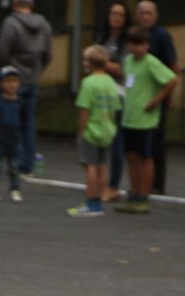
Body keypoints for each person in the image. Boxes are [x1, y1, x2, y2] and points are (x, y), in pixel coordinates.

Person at [115, 25, 178, 215]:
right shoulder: (128, 61)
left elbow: (171, 79)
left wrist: (157, 100)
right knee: (131, 156)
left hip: (146, 119)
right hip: (129, 117)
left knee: (146, 157)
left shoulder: (151, 62)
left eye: (142, 45)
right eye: (134, 45)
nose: (138, 49)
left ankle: (144, 195)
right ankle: (134, 193)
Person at [0, 0, 53, 177]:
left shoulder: (11, 24)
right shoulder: (44, 25)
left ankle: (14, 162)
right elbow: (48, 53)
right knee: (29, 123)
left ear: (14, 4)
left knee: (12, 123)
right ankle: (27, 165)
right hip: (33, 78)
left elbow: (2, 51)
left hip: (14, 79)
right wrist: (38, 70)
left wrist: (7, 73)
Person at [66, 44, 122, 217]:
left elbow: (84, 110)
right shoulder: (111, 82)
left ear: (89, 63)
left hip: (92, 130)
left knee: (90, 166)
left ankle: (91, 202)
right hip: (107, 130)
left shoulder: (88, 83)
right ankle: (99, 200)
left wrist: (81, 131)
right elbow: (115, 107)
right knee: (102, 165)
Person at [134, 1, 179, 195]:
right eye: (142, 13)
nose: (145, 16)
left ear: (155, 15)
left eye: (149, 13)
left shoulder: (161, 36)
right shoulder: (134, 34)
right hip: (138, 97)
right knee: (137, 144)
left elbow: (173, 66)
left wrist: (166, 95)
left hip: (156, 95)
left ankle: (156, 184)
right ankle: (139, 182)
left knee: (155, 143)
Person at [95, 1, 132, 203]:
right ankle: (100, 182)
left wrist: (101, 62)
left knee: (116, 140)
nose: (116, 18)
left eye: (120, 15)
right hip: (101, 92)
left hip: (119, 92)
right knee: (101, 138)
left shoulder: (127, 42)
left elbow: (121, 70)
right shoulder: (103, 38)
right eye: (113, 14)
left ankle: (114, 185)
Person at [0, 66, 26, 203]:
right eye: (8, 81)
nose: (11, 84)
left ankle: (15, 189)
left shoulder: (20, 103)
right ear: (1, 83)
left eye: (14, 81)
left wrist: (23, 138)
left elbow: (24, 121)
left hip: (15, 140)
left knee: (14, 167)